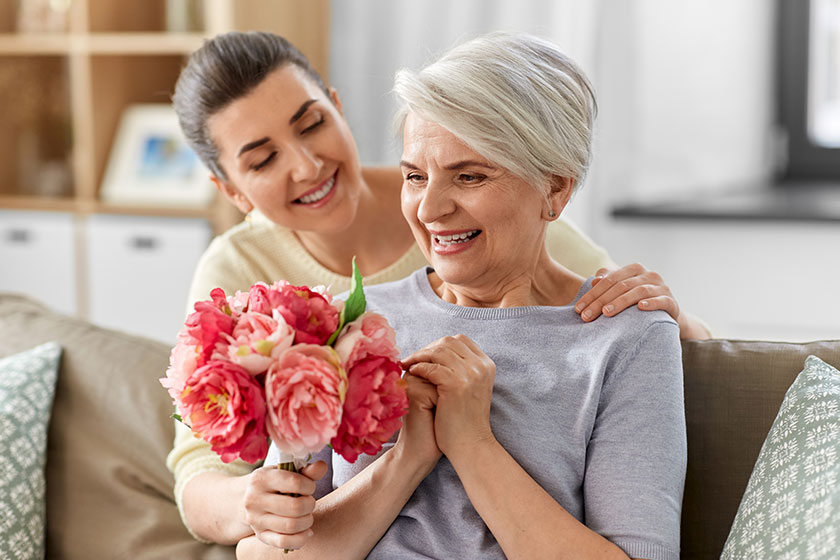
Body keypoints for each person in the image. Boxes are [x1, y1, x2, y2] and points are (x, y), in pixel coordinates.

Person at [167, 30, 702, 549]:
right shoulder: (336, 322)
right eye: (414, 176)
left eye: (469, 177)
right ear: (231, 190)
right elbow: (254, 531)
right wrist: (404, 457)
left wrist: (471, 443)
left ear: (555, 190)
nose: (427, 210)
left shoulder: (620, 334)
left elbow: (602, 304)